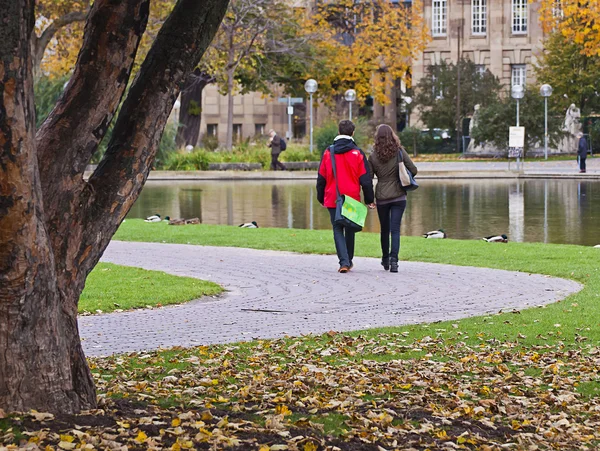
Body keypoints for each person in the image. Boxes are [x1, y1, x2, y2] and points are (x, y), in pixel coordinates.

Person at [316, 120, 375, 273]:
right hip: (351, 198)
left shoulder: (328, 152)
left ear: (338, 131)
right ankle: (348, 260)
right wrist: (369, 199)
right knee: (349, 228)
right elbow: (365, 180)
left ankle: (344, 261)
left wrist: (320, 197)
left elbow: (321, 178)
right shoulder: (357, 153)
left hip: (332, 197)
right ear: (352, 133)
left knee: (337, 228)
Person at [368, 124, 418, 273]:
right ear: (392, 136)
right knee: (395, 230)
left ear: (377, 138)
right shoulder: (399, 152)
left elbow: (368, 178)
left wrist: (369, 199)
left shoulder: (372, 156)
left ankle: (385, 259)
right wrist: (401, 177)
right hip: (399, 196)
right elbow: (414, 170)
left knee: (384, 230)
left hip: (382, 196)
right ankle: (394, 260)